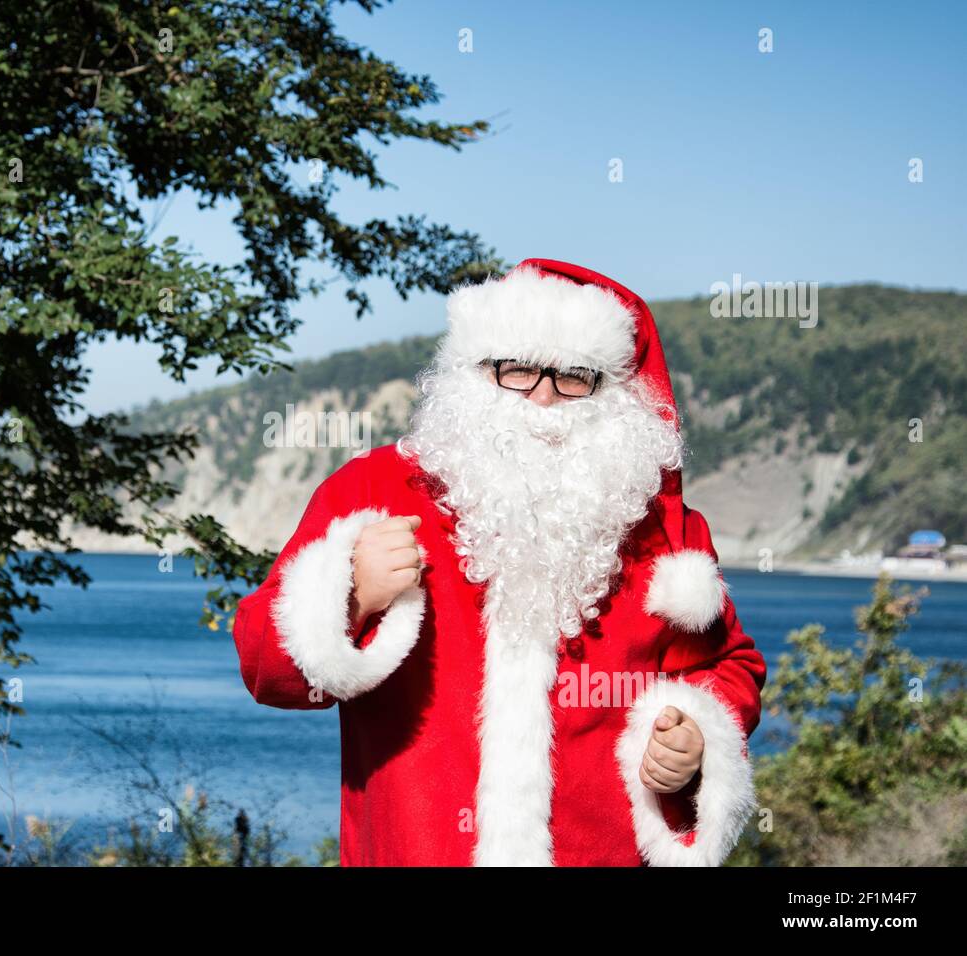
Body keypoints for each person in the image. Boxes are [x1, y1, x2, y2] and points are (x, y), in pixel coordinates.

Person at [231, 258, 767, 866]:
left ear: (613, 391)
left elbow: (730, 665)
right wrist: (352, 596)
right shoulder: (372, 490)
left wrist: (695, 734)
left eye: (574, 376)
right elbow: (264, 669)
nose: (542, 396)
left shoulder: (662, 529)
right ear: (472, 372)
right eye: (516, 369)